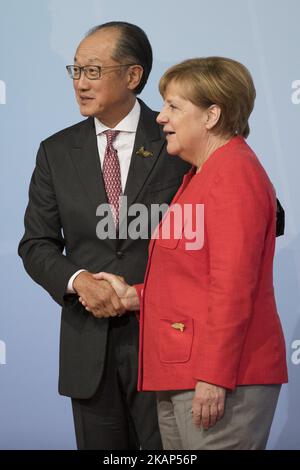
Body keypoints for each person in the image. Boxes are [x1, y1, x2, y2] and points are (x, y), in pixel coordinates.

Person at [89, 57, 289, 450]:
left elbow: (232, 287)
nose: (161, 117)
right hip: (184, 376)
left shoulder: (234, 175)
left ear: (212, 115)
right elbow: (194, 281)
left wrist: (214, 376)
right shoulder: (200, 176)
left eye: (174, 107)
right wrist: (135, 296)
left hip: (222, 380)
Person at [18, 22, 190, 450]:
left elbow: (255, 211)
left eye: (92, 71)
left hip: (165, 340)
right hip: (87, 345)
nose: (79, 83)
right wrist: (79, 282)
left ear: (133, 76)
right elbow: (36, 244)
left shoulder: (179, 136)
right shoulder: (55, 151)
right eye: (74, 71)